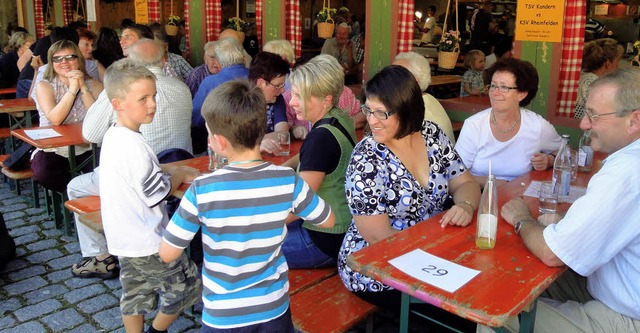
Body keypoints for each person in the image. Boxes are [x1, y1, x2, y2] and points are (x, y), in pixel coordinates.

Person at [159, 79, 335, 332]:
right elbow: (327, 219)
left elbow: (168, 253)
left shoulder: (202, 189)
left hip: (224, 314)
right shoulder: (286, 180)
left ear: (218, 142)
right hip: (273, 308)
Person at [483, 68, 640, 333]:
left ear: (634, 121)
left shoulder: (626, 170)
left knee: (493, 309)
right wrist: (562, 226)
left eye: (593, 115)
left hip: (626, 315)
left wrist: (522, 218)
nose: (584, 124)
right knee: (517, 281)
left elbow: (552, 254)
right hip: (614, 283)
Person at [337, 66, 480, 323]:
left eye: (382, 113)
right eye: (368, 110)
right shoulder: (366, 158)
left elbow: (465, 182)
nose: (372, 120)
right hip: (378, 265)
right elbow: (378, 238)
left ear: (407, 109)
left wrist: (466, 206)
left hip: (434, 254)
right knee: (459, 314)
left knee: (476, 293)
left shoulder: (432, 135)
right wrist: (438, 258)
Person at [69, 38, 193, 279]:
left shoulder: (124, 95)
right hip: (177, 161)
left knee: (74, 186)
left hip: (143, 220)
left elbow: (90, 135)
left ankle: (100, 255)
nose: (152, 104)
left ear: (130, 63)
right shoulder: (182, 87)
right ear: (164, 59)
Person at [99, 59, 201, 333]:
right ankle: (158, 331)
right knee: (187, 285)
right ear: (118, 103)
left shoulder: (114, 136)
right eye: (143, 99)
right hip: (147, 239)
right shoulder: (134, 145)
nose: (152, 104)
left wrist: (168, 167)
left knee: (135, 292)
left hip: (122, 238)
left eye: (153, 96)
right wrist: (178, 174)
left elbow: (134, 173)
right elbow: (157, 193)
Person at [280, 55, 356, 268]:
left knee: (244, 249)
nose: (292, 101)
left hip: (323, 239)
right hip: (342, 228)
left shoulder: (321, 139)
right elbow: (314, 158)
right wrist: (282, 168)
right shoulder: (339, 118)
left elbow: (300, 206)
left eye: (299, 96)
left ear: (326, 99)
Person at [455, 58, 562, 186]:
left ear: (521, 94)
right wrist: (496, 183)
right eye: (493, 86)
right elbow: (455, 174)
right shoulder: (474, 125)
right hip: (480, 195)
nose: (495, 92)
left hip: (520, 197)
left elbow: (565, 150)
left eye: (504, 87)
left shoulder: (537, 126)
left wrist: (550, 160)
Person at [31, 40, 103, 192]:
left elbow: (96, 118)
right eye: (57, 58)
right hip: (54, 147)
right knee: (44, 173)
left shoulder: (94, 84)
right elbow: (55, 119)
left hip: (87, 145)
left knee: (105, 172)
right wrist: (72, 89)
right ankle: (70, 196)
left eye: (70, 57)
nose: (64, 62)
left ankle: (85, 196)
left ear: (79, 59)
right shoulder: (45, 86)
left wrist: (83, 87)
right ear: (51, 63)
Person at [192, 37, 248, 154]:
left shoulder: (210, 82)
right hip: (253, 140)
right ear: (243, 56)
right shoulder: (256, 76)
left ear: (218, 61)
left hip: (221, 146)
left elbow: (197, 118)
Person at [393, 51, 456, 143]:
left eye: (397, 75)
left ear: (415, 82)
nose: (389, 78)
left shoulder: (416, 110)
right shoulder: (427, 99)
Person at [248, 51, 291, 154]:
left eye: (282, 85)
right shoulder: (238, 102)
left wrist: (253, 142)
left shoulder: (277, 99)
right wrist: (257, 145)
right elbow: (234, 143)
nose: (282, 90)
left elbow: (283, 135)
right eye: (277, 86)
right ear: (260, 83)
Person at [574, 38, 623, 119]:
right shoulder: (595, 84)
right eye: (617, 61)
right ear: (607, 64)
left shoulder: (583, 76)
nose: (618, 66)